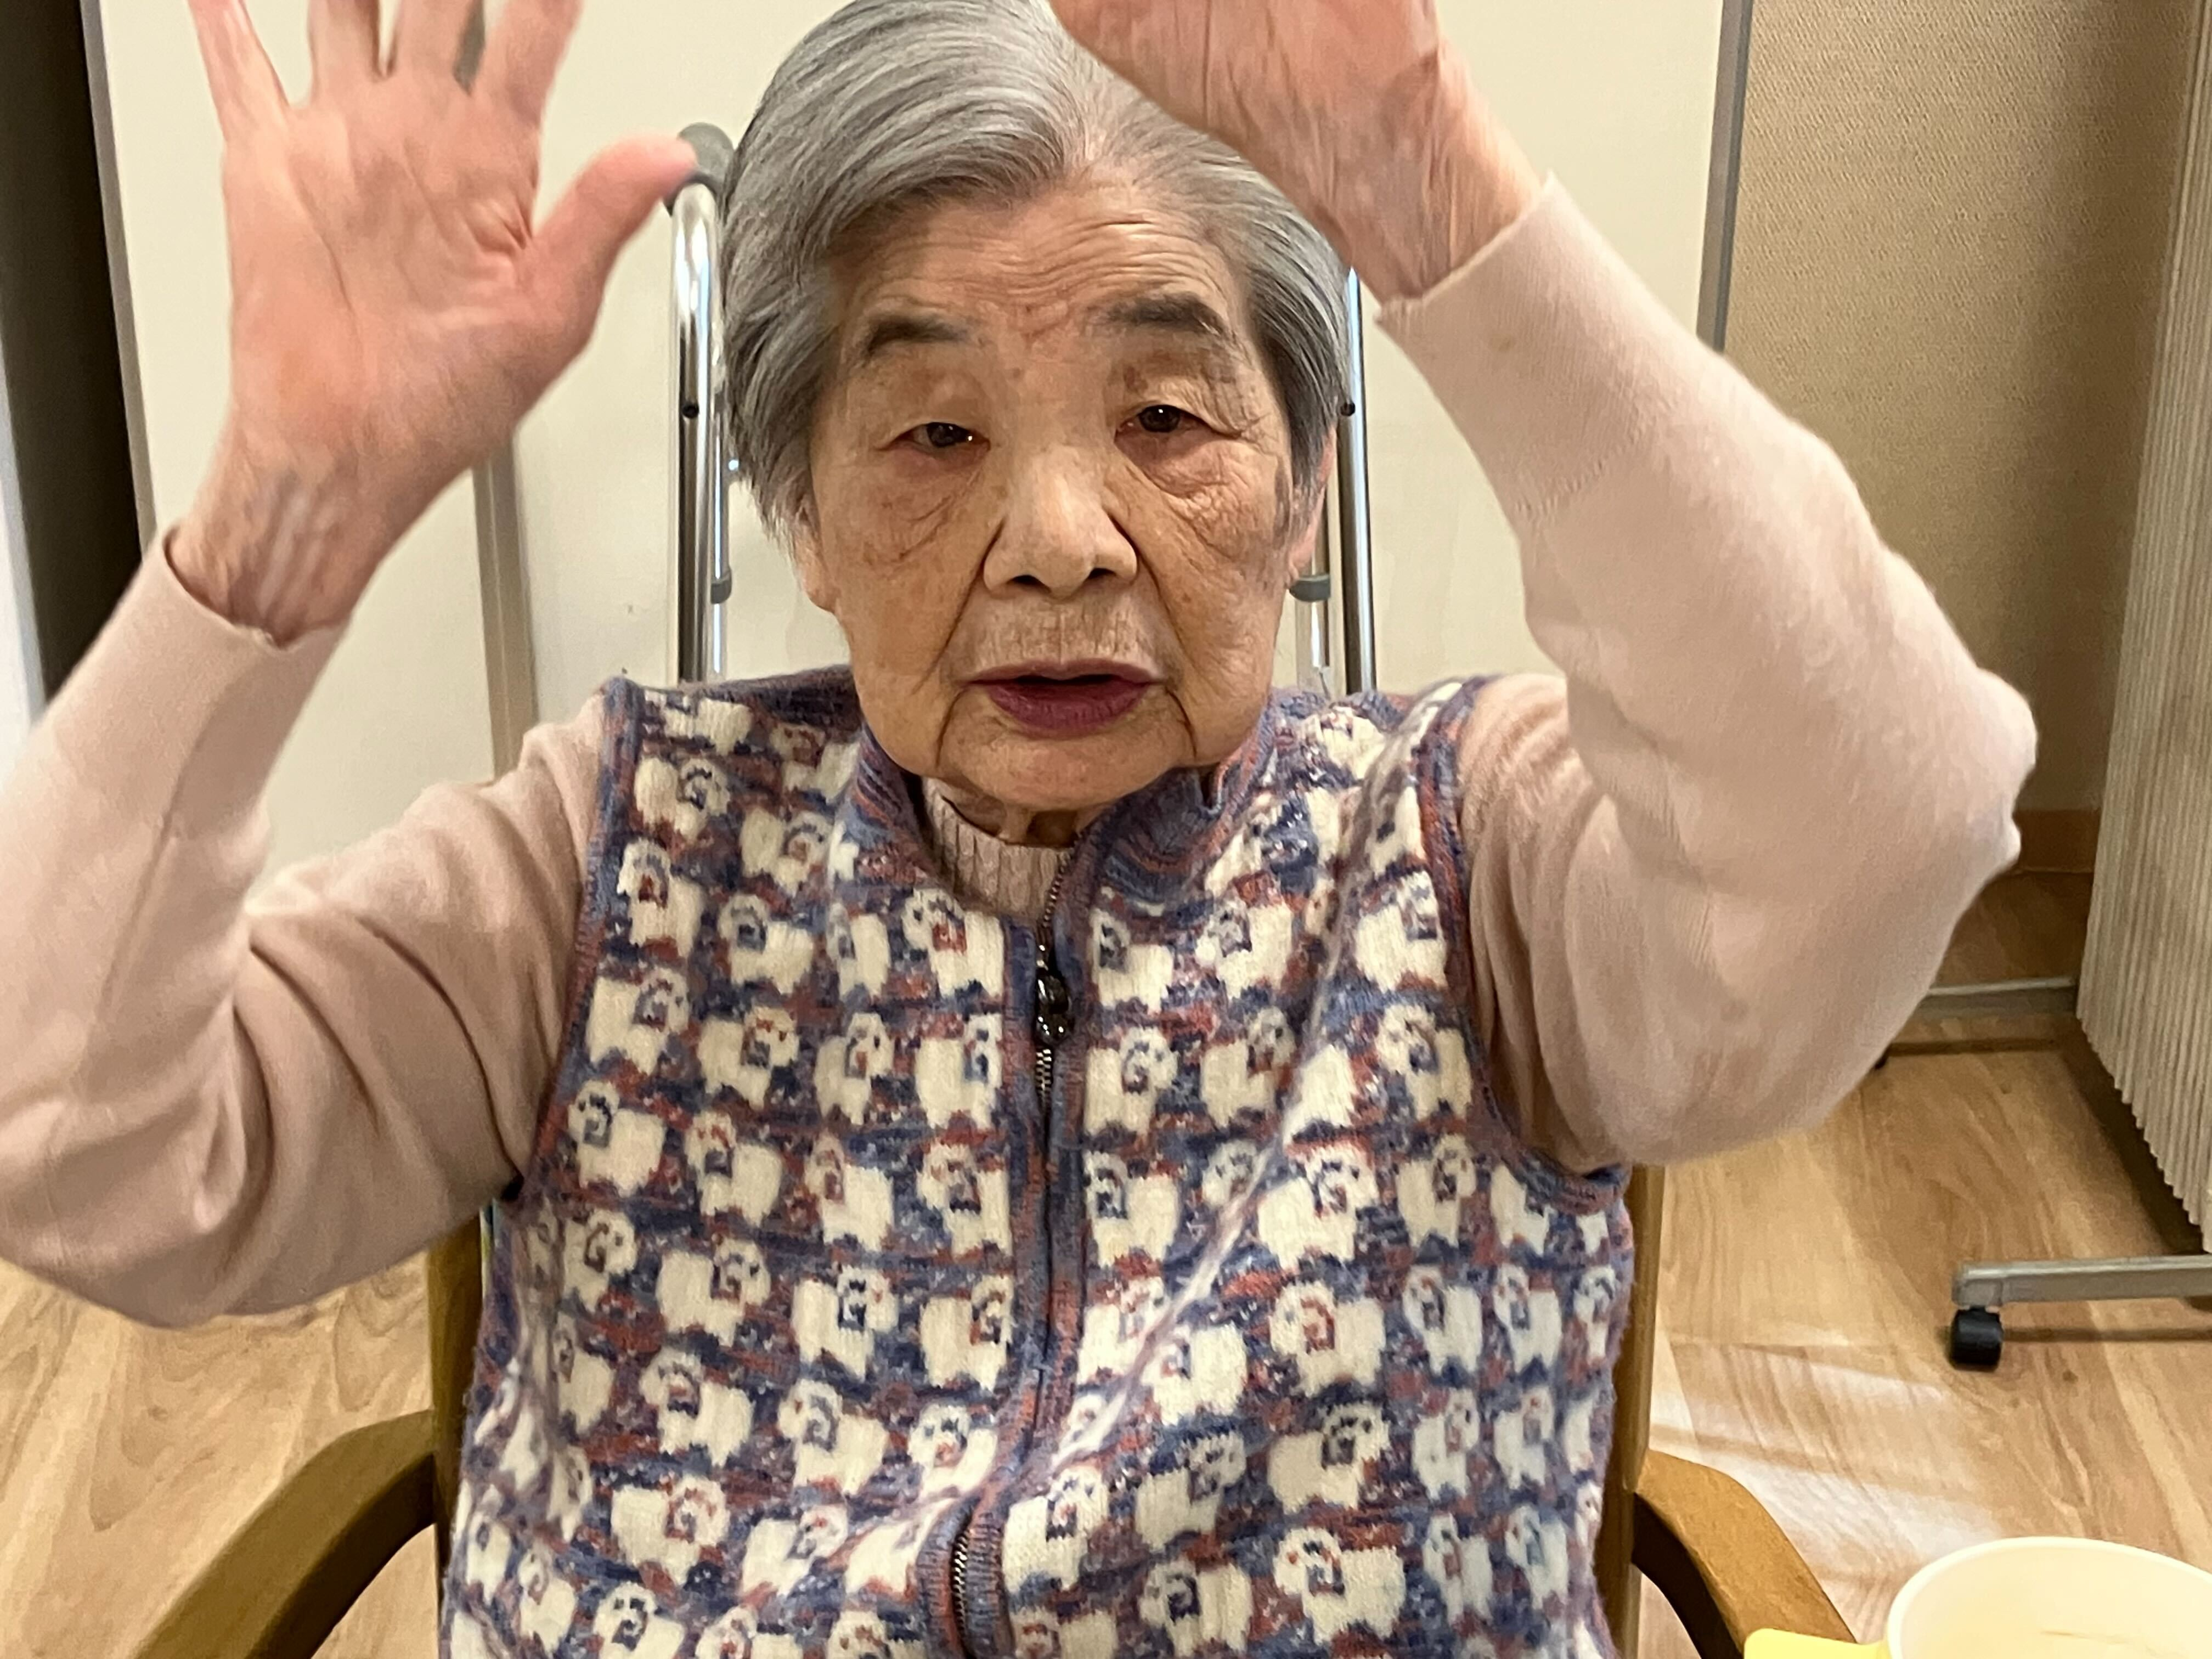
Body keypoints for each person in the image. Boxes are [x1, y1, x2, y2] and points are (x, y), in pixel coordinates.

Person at [0, 0, 2035, 1654]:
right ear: (802, 514)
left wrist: (1437, 191)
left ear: (1302, 488)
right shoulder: (604, 867)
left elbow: (1882, 821)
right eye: (936, 433)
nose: (1062, 540)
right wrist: (271, 530)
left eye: (1168, 419)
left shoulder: (1466, 862)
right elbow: (73, 1142)